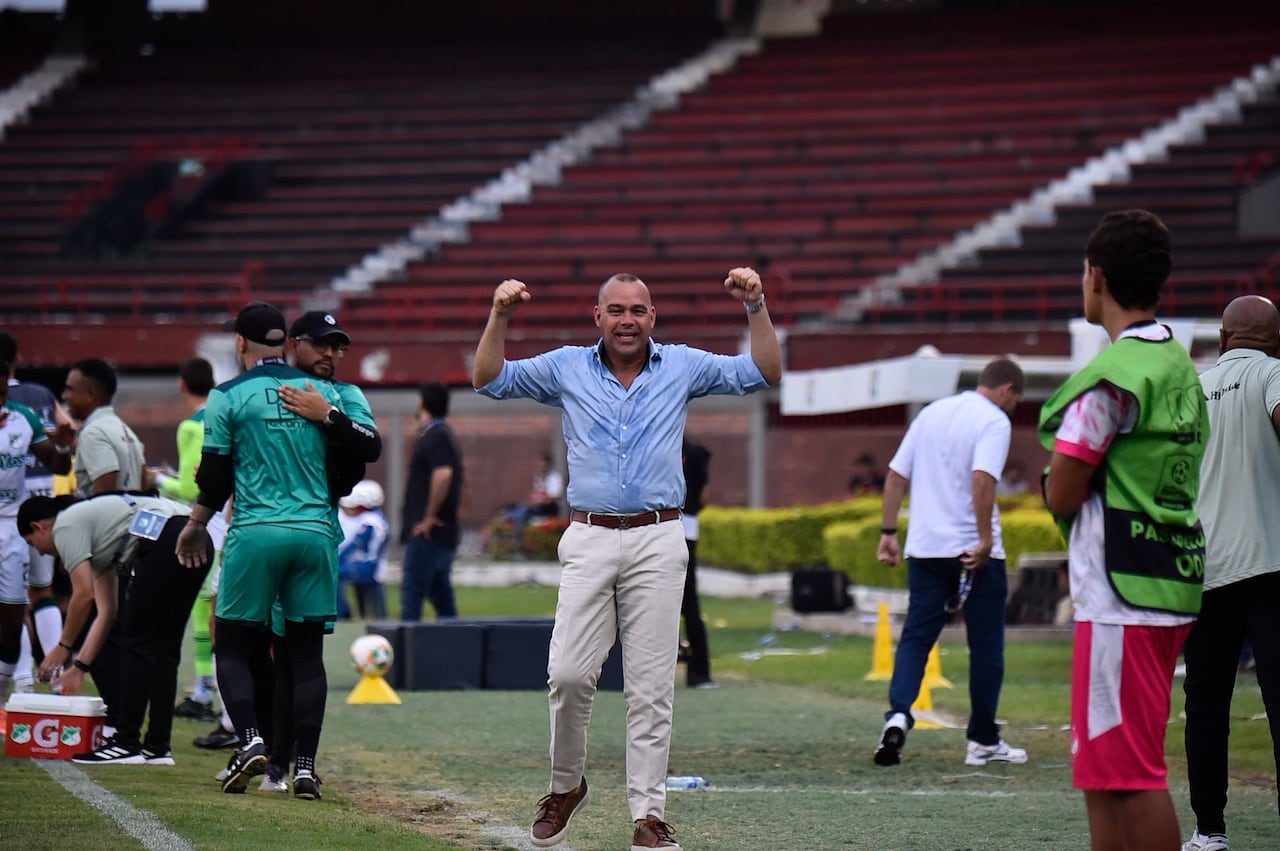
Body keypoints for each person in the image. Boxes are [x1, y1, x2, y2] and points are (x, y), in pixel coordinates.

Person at [473, 267, 781, 850]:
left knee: (650, 685)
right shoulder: (565, 366)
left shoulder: (684, 365)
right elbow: (488, 379)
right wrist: (501, 316)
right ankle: (567, 786)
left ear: (652, 318)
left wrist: (756, 306)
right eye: (615, 310)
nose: (626, 321)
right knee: (566, 674)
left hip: (659, 537)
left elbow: (765, 371)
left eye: (637, 311)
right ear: (598, 317)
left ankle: (648, 814)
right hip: (589, 535)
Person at [1040, 210, 1206, 851]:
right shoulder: (1176, 362)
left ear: (1097, 278)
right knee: (1107, 774)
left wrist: (1053, 486)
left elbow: (1066, 482)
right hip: (1165, 579)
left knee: (1130, 773)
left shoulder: (1114, 377)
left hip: (1120, 595)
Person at [174, 301, 379, 799]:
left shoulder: (233, 396)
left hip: (257, 532)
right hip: (314, 535)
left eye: (338, 347)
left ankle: (254, 744)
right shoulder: (335, 393)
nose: (331, 353)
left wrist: (197, 521)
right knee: (302, 657)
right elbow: (361, 459)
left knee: (239, 645)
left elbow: (217, 472)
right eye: (323, 344)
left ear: (240, 344)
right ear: (290, 343)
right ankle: (294, 768)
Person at [873, 357, 1027, 768]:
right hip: (971, 553)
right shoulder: (994, 420)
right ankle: (982, 740)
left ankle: (899, 714)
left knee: (916, 638)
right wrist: (985, 537)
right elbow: (982, 479)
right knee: (986, 647)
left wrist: (889, 533)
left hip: (924, 548)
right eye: (1016, 400)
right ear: (1008, 389)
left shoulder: (931, 413)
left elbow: (894, 476)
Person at [1181, 295, 1280, 851]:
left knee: (1206, 705)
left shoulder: (1192, 389)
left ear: (1222, 341)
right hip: (1271, 562)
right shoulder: (1275, 374)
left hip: (1207, 567)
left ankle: (1209, 830)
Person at [21, 492, 212, 765]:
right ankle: (158, 748)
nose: (39, 551)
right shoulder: (103, 538)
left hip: (167, 539)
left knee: (135, 643)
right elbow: (107, 614)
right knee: (165, 649)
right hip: (197, 535)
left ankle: (126, 742)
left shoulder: (65, 525)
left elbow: (83, 595)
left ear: (39, 526)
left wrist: (63, 648)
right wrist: (80, 666)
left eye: (32, 543)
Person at [153, 357, 224, 724]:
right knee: (222, 608)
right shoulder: (227, 413)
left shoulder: (191, 425)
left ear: (183, 384)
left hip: (206, 522)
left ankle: (205, 692)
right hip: (234, 516)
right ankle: (212, 691)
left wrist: (158, 479)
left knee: (204, 612)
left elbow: (192, 485)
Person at [0, 332, 71, 690]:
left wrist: (62, 444)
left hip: (19, 515)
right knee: (29, 601)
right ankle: (38, 683)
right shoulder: (37, 397)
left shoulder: (20, 414)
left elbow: (56, 458)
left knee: (22, 602)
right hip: (28, 511)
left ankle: (34, 681)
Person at [399, 382, 463, 622]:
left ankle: (405, 656)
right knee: (442, 598)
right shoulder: (441, 434)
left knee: (412, 596)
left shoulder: (435, 435)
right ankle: (456, 650)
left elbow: (443, 474)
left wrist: (427, 518)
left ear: (421, 403)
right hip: (441, 533)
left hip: (428, 534)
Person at [62, 358, 147, 498]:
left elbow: (105, 497)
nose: (65, 396)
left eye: (70, 389)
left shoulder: (93, 432)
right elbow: (145, 480)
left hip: (109, 519)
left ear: (90, 395)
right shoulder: (125, 429)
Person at [680, 438, 715, 689]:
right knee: (690, 603)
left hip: (654, 526)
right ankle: (699, 672)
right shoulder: (697, 453)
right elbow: (704, 495)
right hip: (687, 528)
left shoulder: (650, 443)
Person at [338, 480, 390, 620]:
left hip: (368, 566)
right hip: (366, 564)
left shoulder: (370, 521)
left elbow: (355, 545)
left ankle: (342, 613)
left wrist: (337, 560)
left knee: (334, 573)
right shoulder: (375, 518)